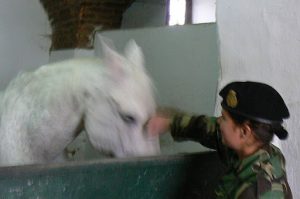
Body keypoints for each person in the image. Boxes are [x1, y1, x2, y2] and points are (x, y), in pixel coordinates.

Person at [147, 81, 293, 199]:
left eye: (224, 118)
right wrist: (169, 123)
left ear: (244, 131)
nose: (219, 123)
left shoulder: (258, 192)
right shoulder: (254, 150)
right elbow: (208, 128)